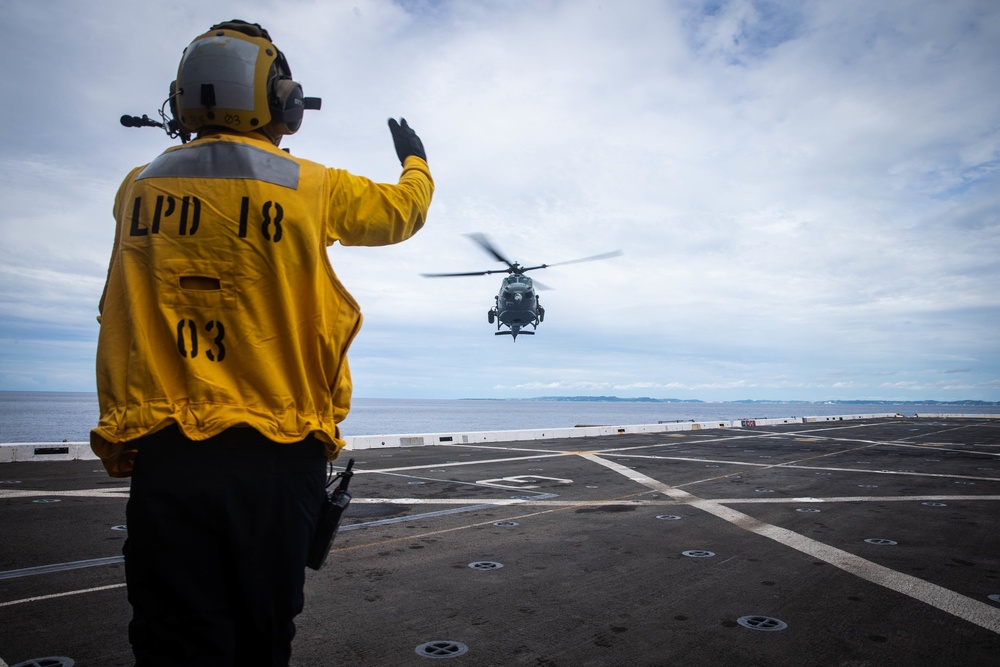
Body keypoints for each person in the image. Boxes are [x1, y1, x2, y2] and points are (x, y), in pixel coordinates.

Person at [91, 19, 433, 666]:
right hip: (275, 464)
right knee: (261, 642)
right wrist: (416, 161)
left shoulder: (135, 190)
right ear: (279, 102)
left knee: (171, 644)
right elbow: (402, 212)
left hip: (168, 460)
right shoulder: (310, 188)